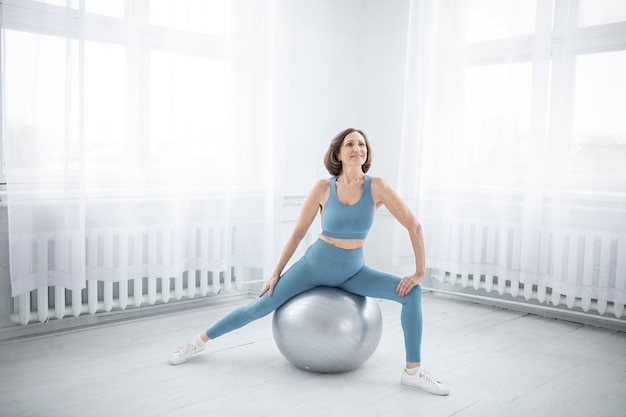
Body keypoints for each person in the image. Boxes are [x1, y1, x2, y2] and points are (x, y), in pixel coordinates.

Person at [169, 128, 449, 396]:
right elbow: (298, 232)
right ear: (337, 154)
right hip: (314, 266)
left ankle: (413, 373)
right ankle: (198, 342)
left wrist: (419, 272)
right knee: (260, 306)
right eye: (350, 144)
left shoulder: (377, 187)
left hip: (353, 271)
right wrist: (276, 273)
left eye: (361, 144)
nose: (357, 148)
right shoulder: (322, 188)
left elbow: (414, 226)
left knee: (412, 292)